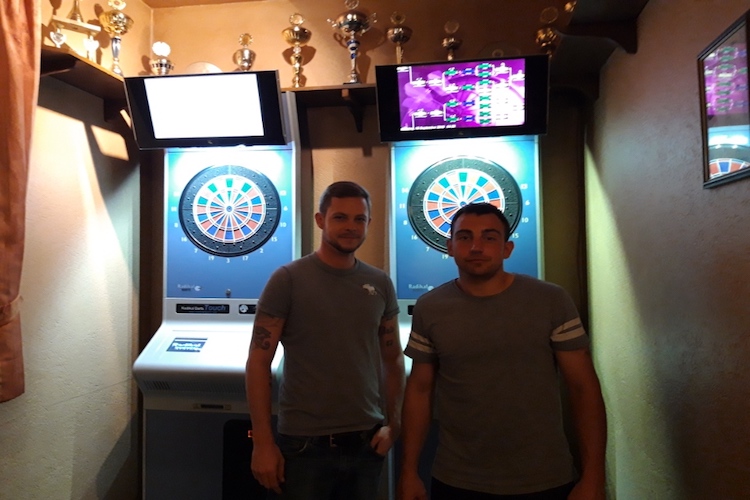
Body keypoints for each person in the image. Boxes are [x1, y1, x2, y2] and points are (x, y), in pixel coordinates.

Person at [398, 202, 607, 500]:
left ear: (507, 248)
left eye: (489, 237)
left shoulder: (550, 301)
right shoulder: (430, 308)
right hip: (457, 478)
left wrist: (594, 477)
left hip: (544, 477)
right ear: (450, 246)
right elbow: (419, 391)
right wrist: (408, 471)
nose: (476, 246)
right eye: (465, 237)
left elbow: (583, 388)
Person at [245, 180, 405, 500]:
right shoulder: (288, 280)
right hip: (305, 444)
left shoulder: (380, 282)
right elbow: (258, 363)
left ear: (369, 223)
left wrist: (394, 425)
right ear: (321, 220)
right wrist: (262, 443)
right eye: (340, 217)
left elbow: (393, 359)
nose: (351, 227)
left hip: (367, 442)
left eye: (359, 219)